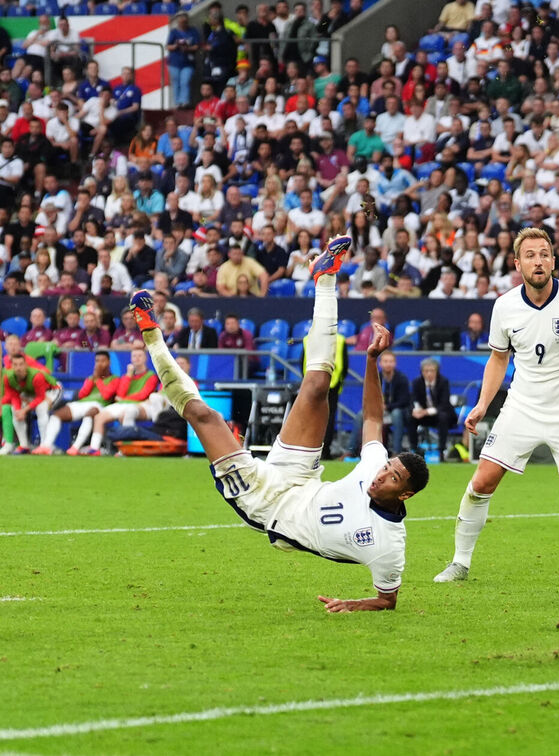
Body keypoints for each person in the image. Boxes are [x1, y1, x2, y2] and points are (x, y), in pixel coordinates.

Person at [125, 237, 430, 612]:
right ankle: (325, 278)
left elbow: (388, 599)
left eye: (393, 478)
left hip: (267, 505)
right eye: (388, 467)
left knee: (205, 416)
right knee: (318, 384)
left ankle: (150, 333)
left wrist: (352, 604)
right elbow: (372, 418)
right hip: (300, 477)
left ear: (405, 495)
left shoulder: (388, 544)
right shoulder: (373, 469)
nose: (382, 475)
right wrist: (371, 358)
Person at [432, 227, 559, 584]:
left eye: (544, 254)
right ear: (517, 263)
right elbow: (497, 359)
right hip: (521, 408)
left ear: (553, 261)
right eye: (530, 255)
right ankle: (460, 563)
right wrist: (482, 405)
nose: (537, 261)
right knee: (481, 483)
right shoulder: (505, 306)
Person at [36, 349, 118, 455]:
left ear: (109, 362)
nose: (100, 364)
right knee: (57, 415)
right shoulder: (91, 378)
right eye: (97, 361)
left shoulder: (115, 379)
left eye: (103, 361)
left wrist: (98, 380)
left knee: (90, 412)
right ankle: (46, 446)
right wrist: (92, 379)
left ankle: (75, 447)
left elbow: (107, 396)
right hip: (83, 404)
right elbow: (81, 395)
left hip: (100, 406)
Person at [82, 347, 161, 455]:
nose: (136, 358)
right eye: (134, 356)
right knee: (99, 417)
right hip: (123, 404)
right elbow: (120, 394)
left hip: (141, 405)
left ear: (145, 358)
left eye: (139, 356)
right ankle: (94, 448)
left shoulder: (151, 375)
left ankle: (125, 450)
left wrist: (124, 399)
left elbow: (143, 395)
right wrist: (129, 376)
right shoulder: (126, 376)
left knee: (128, 412)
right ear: (131, 359)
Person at [0, 351, 59, 455]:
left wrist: (24, 410)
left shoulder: (37, 376)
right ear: (11, 366)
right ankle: (24, 445)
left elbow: (40, 398)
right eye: (15, 365)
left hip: (51, 390)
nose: (18, 368)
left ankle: (45, 445)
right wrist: (19, 410)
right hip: (30, 392)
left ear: (26, 365)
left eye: (21, 364)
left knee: (41, 407)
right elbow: (14, 396)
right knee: (15, 410)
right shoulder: (8, 377)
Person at [408, 357, 454, 459]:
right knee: (410, 418)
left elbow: (444, 403)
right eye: (426, 371)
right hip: (423, 415)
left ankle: (441, 450)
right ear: (422, 372)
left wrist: (427, 412)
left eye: (432, 371)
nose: (429, 374)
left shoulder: (443, 382)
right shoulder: (416, 382)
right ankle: (414, 449)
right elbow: (413, 399)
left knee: (443, 417)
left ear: (437, 371)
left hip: (440, 414)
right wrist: (416, 410)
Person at [377, 350, 410, 454]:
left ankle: (397, 451)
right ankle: (352, 451)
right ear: (380, 363)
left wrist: (387, 407)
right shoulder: (375, 377)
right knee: (360, 416)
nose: (388, 364)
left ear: (395, 363)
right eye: (385, 361)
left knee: (396, 414)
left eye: (390, 361)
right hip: (378, 409)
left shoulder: (401, 378)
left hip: (396, 409)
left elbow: (404, 401)